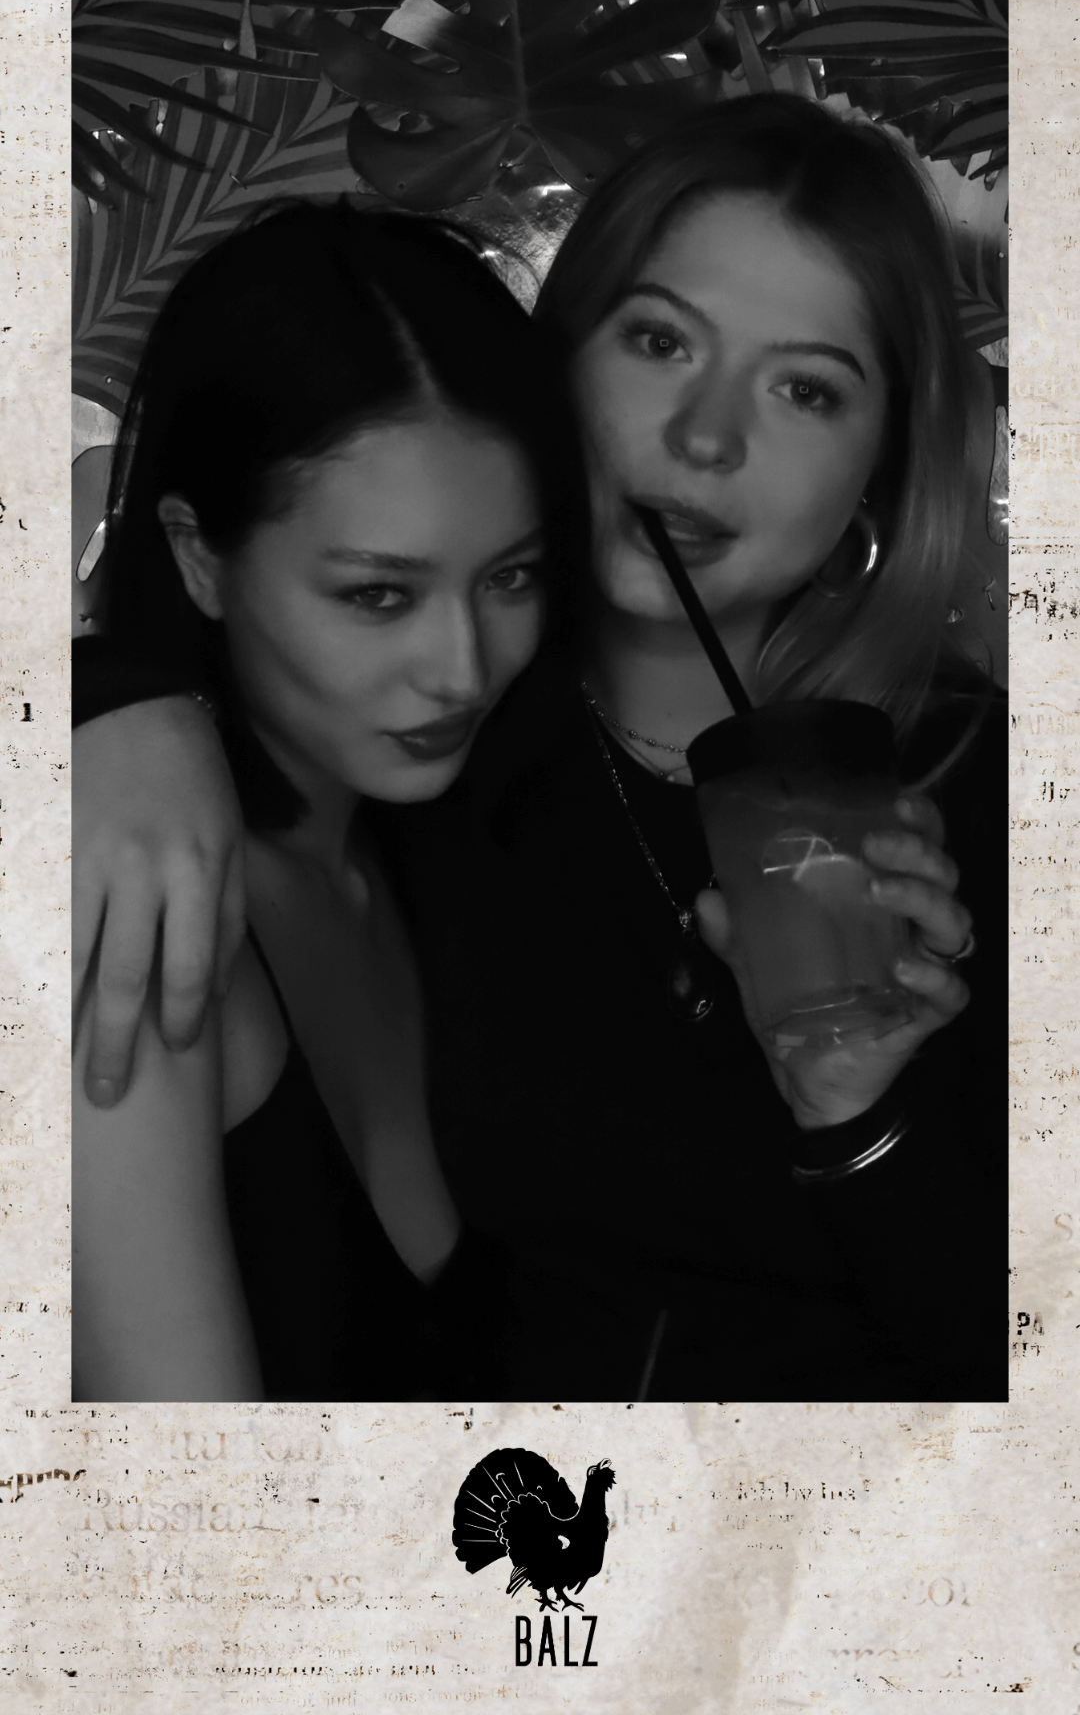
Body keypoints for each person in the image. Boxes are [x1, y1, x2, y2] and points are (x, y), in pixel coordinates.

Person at [73, 94, 1004, 1399]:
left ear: (885, 464)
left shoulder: (984, 786)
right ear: (556, 366)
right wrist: (114, 708)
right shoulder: (446, 751)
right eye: (659, 340)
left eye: (806, 388)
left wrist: (862, 1119)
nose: (706, 436)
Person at [72, 201, 590, 1400]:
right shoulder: (132, 918)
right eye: (377, 595)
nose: (462, 669)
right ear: (199, 557)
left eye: (511, 576)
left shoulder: (457, 851)